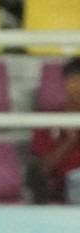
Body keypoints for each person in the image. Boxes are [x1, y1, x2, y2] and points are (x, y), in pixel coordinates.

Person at [29, 58, 80, 202]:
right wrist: (69, 141)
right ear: (64, 83)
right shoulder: (49, 120)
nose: (78, 87)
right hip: (61, 191)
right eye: (74, 81)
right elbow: (42, 170)